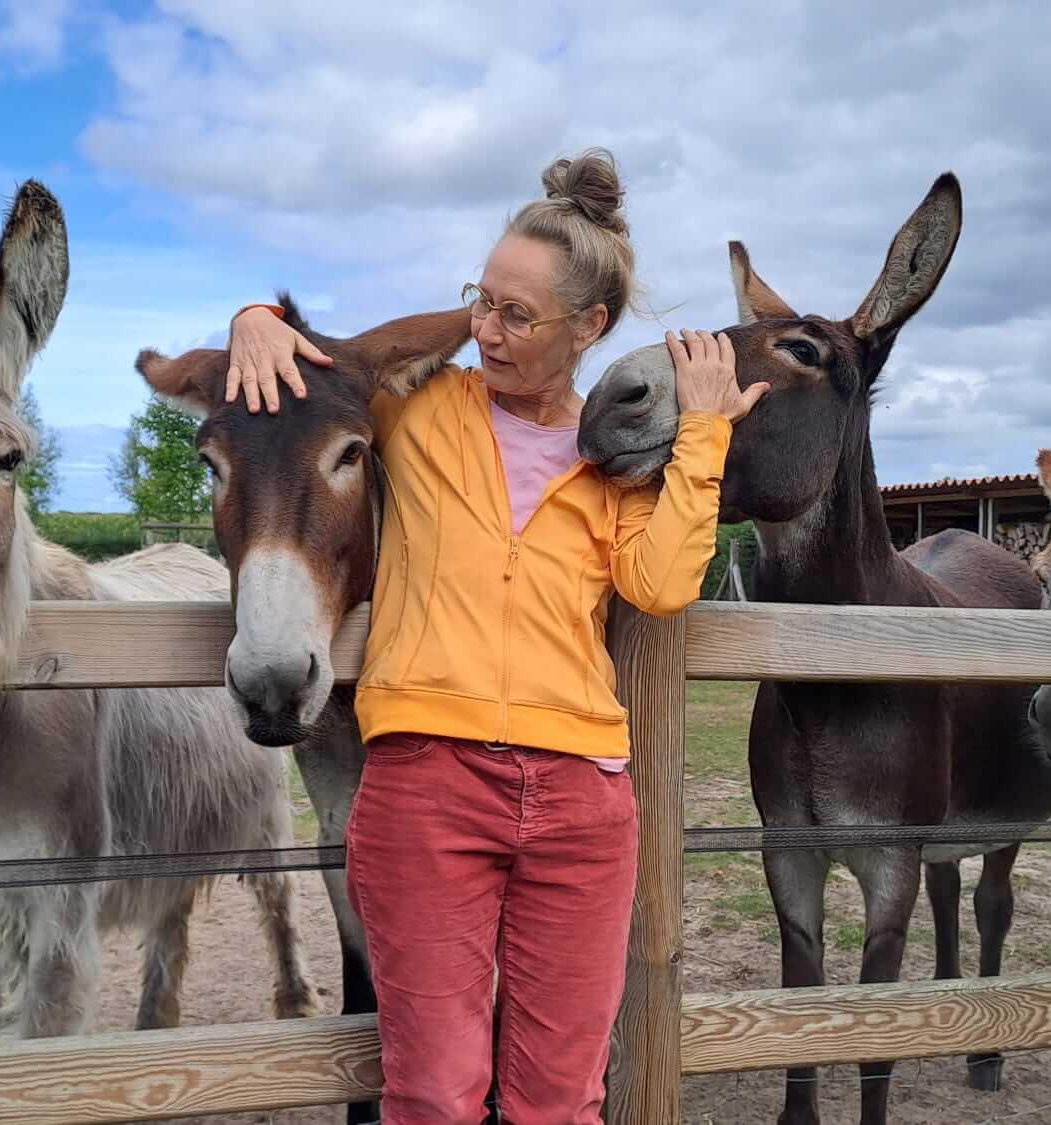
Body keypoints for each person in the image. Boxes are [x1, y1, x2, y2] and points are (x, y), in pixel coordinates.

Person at [222, 148, 766, 1124]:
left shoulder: (616, 464)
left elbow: (659, 582)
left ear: (588, 328)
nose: (486, 331)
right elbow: (313, 373)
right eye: (483, 301)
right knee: (433, 1094)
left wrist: (707, 439)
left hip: (581, 804)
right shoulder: (418, 409)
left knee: (559, 1100)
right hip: (425, 786)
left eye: (518, 316)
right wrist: (254, 321)